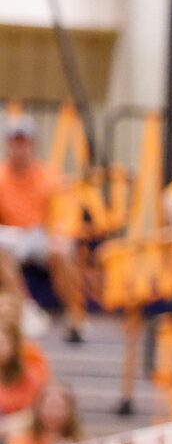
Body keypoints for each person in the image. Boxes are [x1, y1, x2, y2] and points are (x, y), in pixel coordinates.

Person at [0, 116, 89, 339]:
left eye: (23, 141)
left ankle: (75, 316)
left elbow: (63, 215)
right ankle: (27, 310)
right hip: (10, 236)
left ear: (33, 144)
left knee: (62, 251)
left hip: (40, 235)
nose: (19, 148)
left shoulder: (50, 176)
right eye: (15, 142)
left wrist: (59, 235)